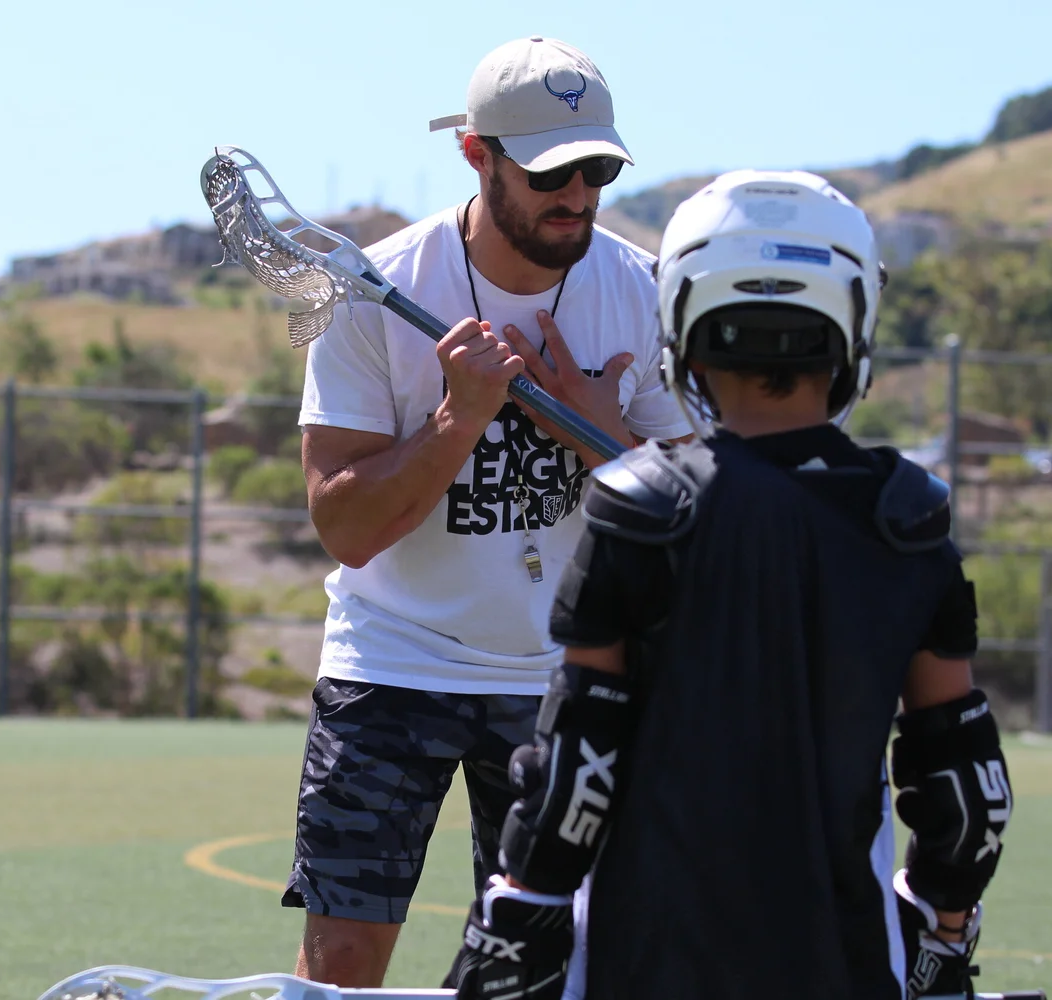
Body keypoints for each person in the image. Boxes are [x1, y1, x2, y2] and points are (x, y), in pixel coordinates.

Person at [442, 170, 1014, 1000]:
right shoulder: (907, 519)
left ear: (683, 318)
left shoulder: (640, 508)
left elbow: (577, 763)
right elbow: (964, 795)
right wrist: (942, 929)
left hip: (645, 960)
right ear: (852, 319)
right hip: (844, 964)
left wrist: (522, 909)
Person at [287, 36, 691, 988]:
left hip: (567, 675)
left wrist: (598, 430)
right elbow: (342, 527)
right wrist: (455, 420)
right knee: (341, 962)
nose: (579, 196)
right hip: (393, 659)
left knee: (551, 963)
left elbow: (698, 519)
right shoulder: (374, 291)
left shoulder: (641, 293)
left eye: (597, 169)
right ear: (478, 156)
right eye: (553, 172)